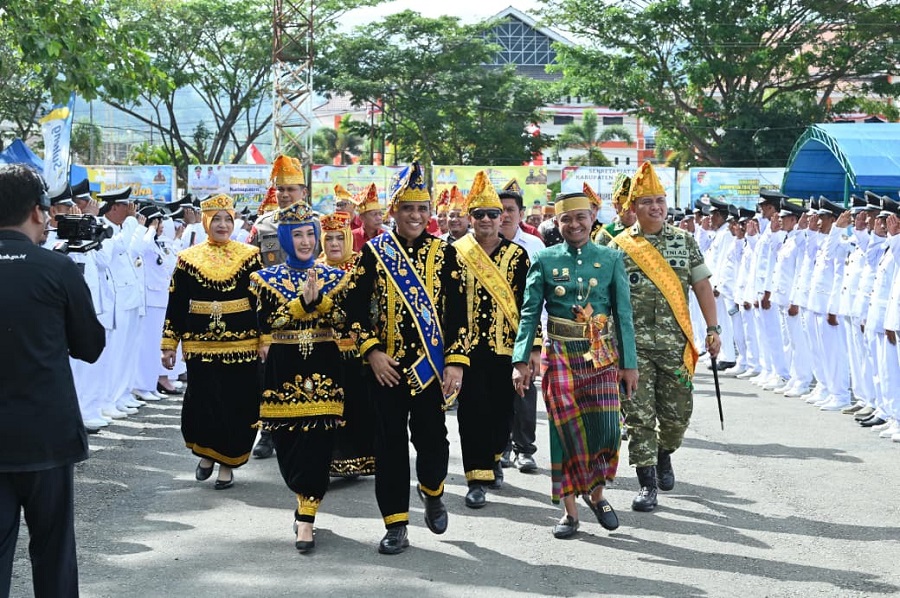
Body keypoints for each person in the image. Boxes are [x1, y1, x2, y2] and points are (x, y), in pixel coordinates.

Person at [337, 161, 469, 555]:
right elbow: (352, 310)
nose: (415, 216)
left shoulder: (445, 255)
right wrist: (372, 352)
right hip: (385, 372)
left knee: (433, 441)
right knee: (389, 447)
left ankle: (432, 491)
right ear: (394, 212)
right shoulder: (374, 254)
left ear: (429, 213)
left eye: (422, 209)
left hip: (430, 371)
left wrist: (455, 363)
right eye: (408, 209)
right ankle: (395, 524)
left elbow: (458, 314)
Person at [0, 164, 106, 598]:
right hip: (47, 435)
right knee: (53, 551)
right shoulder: (57, 268)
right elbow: (91, 347)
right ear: (37, 212)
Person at [512, 189, 638, 538]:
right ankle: (570, 514)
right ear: (557, 222)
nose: (574, 224)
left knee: (609, 432)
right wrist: (522, 359)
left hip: (601, 356)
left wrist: (630, 364)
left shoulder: (612, 258)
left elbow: (623, 314)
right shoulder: (546, 259)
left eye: (580, 217)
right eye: (565, 218)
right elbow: (529, 312)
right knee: (563, 433)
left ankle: (596, 495)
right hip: (561, 354)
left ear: (592, 219)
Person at [607, 161, 720, 513]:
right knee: (639, 416)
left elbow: (702, 286)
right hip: (632, 347)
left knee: (677, 418)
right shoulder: (618, 246)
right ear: (633, 208)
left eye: (659, 200)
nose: (655, 207)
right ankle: (647, 484)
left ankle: (663, 452)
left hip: (675, 344)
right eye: (646, 201)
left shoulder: (684, 241)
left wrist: (713, 329)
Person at [250, 201, 349, 552]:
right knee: (288, 444)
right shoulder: (264, 278)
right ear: (284, 238)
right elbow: (266, 324)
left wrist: (320, 301)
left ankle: (307, 515)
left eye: (311, 234)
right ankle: (300, 500)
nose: (306, 242)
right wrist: (300, 304)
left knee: (320, 443)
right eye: (298, 235)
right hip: (283, 368)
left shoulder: (338, 277)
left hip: (324, 366)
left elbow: (343, 323)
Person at [161, 194, 262, 489]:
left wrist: (265, 338)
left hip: (243, 343)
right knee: (203, 402)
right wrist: (169, 343)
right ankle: (206, 453)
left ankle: (228, 463)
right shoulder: (188, 259)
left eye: (227, 219)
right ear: (205, 221)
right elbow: (176, 303)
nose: (222, 225)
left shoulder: (250, 256)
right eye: (216, 219)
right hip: (200, 343)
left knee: (239, 403)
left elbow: (260, 302)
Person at [453, 171, 535, 509]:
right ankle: (476, 477)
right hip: (467, 350)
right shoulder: (455, 253)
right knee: (471, 413)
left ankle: (496, 457)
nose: (486, 220)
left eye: (493, 214)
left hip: (506, 349)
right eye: (479, 214)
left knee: (503, 413)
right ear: (470, 218)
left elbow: (530, 307)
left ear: (503, 217)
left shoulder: (518, 257)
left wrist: (531, 351)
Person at [249, 157, 308, 460]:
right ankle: (268, 431)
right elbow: (251, 268)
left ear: (304, 191)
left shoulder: (319, 224)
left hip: (311, 311)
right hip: (272, 312)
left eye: (291, 189)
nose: (285, 194)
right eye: (281, 189)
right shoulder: (263, 226)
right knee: (268, 374)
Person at [317, 208, 377, 479]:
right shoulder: (314, 270)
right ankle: (327, 462)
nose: (334, 245)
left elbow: (371, 309)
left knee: (357, 406)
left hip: (357, 352)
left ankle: (360, 460)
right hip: (323, 350)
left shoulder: (360, 268)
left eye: (339, 239)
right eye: (329, 239)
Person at [497, 178, 545, 473]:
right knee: (495, 392)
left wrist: (540, 339)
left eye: (509, 210)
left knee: (524, 388)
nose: (502, 216)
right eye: (497, 210)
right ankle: (499, 448)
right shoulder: (480, 245)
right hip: (491, 332)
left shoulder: (534, 245)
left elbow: (544, 293)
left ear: (520, 213)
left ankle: (524, 449)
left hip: (526, 330)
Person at [350, 183, 386, 251]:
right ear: (362, 218)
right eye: (374, 214)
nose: (379, 218)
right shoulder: (351, 237)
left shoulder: (386, 236)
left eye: (380, 214)